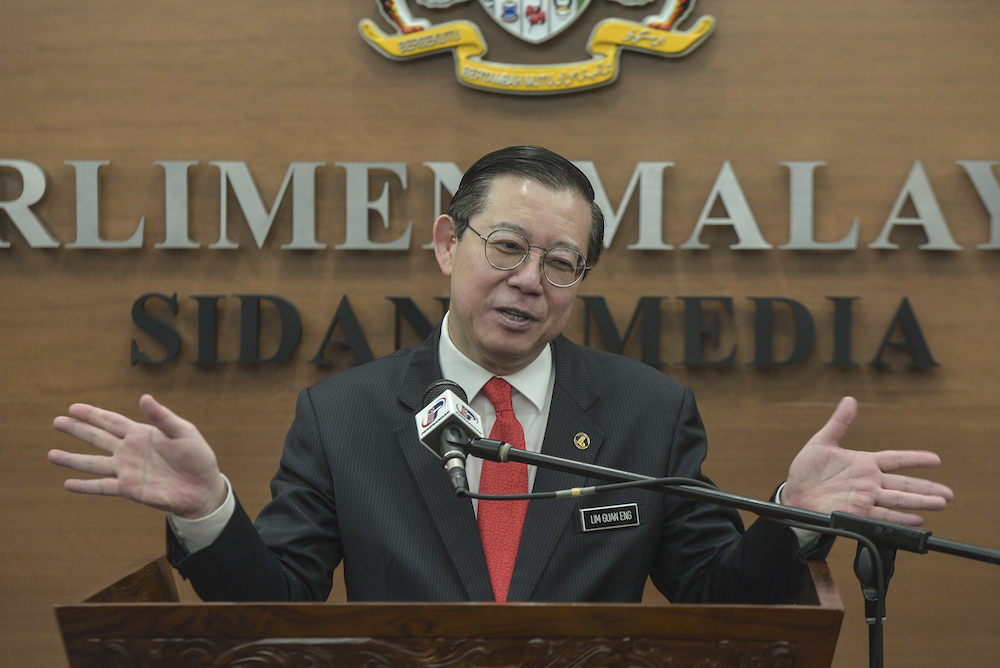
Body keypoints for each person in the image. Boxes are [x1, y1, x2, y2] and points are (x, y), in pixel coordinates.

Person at [48, 145, 954, 604]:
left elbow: (715, 593)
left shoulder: (646, 409)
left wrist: (792, 517)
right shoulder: (344, 414)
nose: (529, 281)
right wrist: (209, 513)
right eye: (508, 248)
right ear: (448, 244)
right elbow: (277, 599)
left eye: (560, 263)